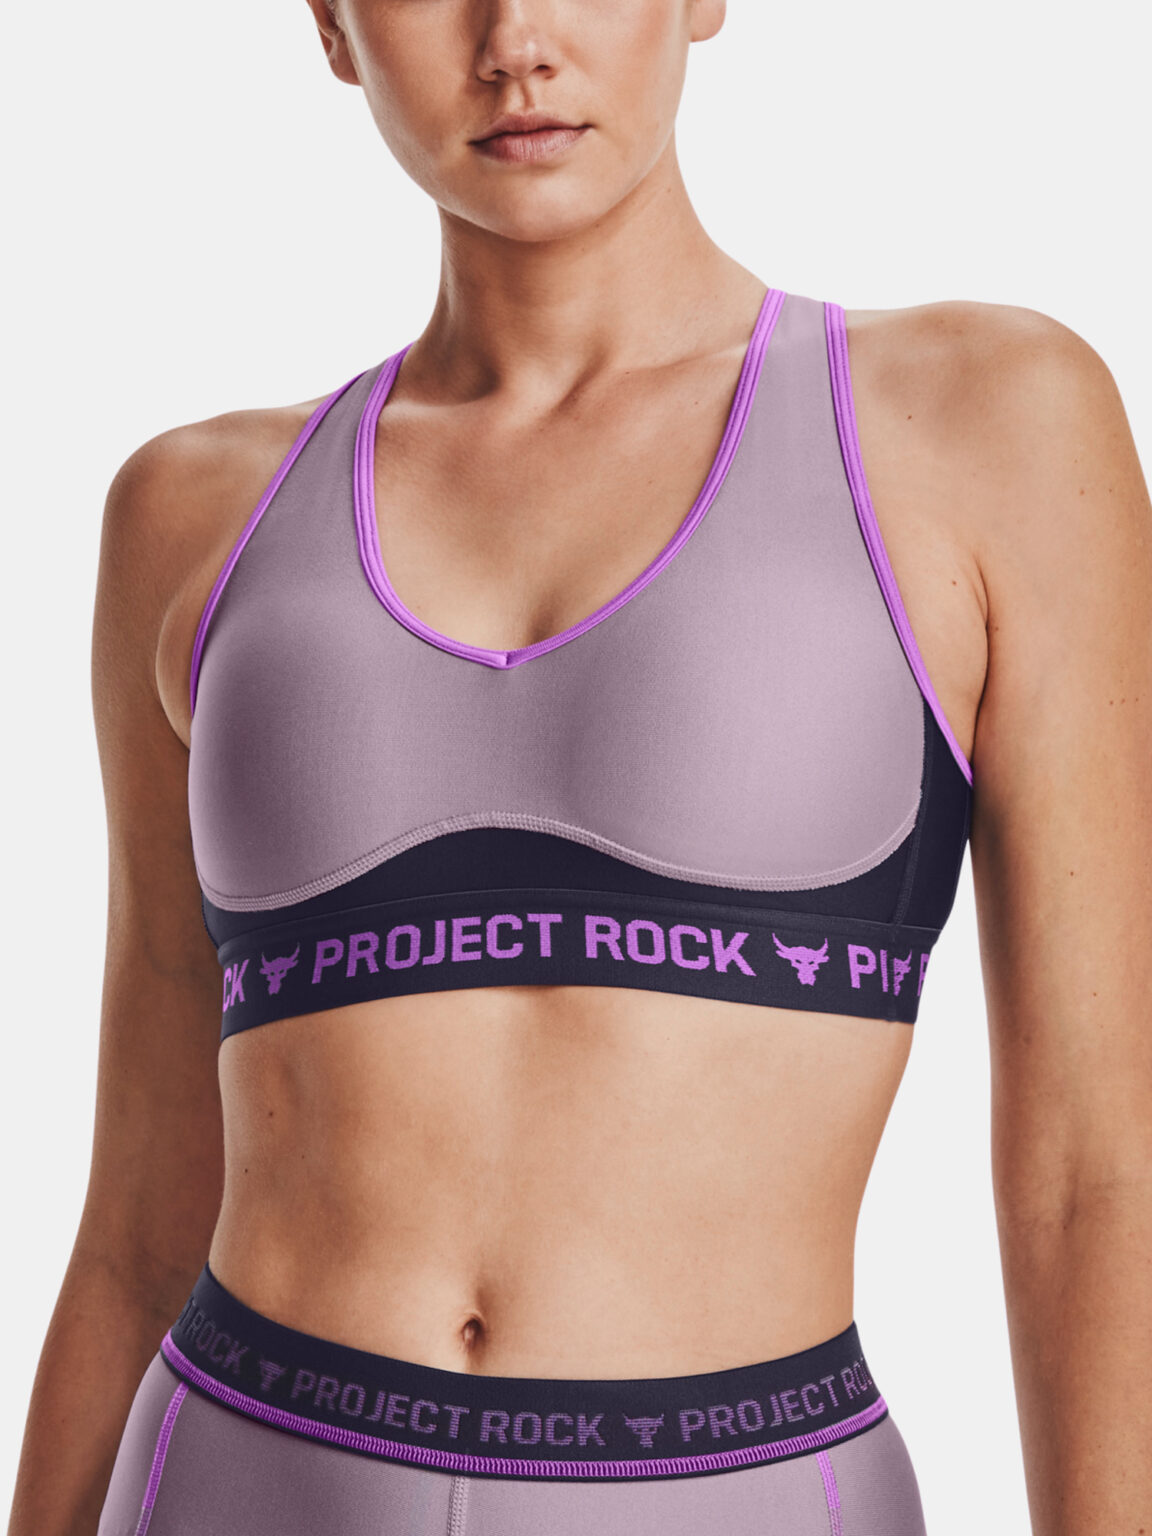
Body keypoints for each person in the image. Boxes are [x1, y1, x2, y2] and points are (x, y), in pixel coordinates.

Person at [9, 0, 1152, 1532]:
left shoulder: (983, 426)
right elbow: (140, 1223)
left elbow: (1096, 1173)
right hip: (228, 1475)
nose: (516, 40)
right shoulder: (192, 515)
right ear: (333, 27)